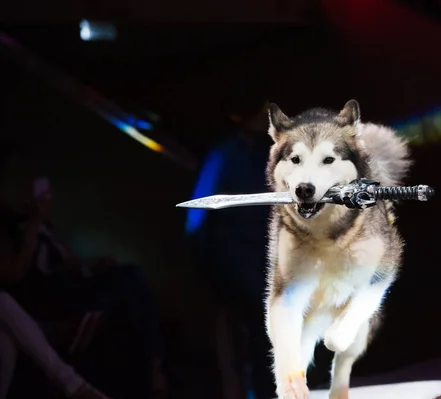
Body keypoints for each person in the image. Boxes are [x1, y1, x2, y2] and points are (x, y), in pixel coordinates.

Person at [0, 142, 167, 398]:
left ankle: (155, 370)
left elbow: (67, 259)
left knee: (131, 279)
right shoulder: (9, 225)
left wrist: (93, 263)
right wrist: (33, 225)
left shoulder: (45, 224)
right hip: (43, 294)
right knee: (120, 296)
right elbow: (13, 276)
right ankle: (83, 327)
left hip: (68, 284)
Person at [186, 85, 274, 399]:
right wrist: (213, 269)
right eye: (261, 108)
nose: (268, 114)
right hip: (236, 268)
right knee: (246, 344)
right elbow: (197, 218)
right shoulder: (223, 155)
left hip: (262, 264)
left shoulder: (264, 153)